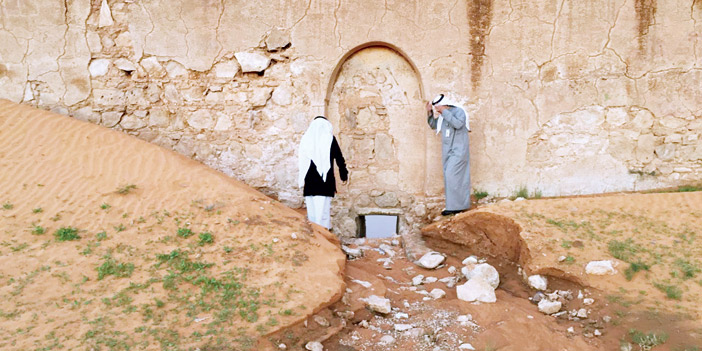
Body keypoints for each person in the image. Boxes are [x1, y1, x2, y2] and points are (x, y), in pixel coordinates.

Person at [298, 116, 348, 229]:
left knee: (312, 213)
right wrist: (343, 174)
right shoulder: (329, 139)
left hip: (309, 181)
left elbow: (302, 161)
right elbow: (339, 158)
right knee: (323, 212)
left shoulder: (306, 139)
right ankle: (322, 234)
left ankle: (316, 235)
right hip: (324, 182)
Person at [426, 93, 471, 216]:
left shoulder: (458, 111)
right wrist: (429, 112)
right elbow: (433, 125)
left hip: (459, 150)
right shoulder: (442, 116)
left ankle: (454, 207)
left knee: (452, 175)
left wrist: (445, 112)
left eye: (438, 107)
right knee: (450, 177)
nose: (437, 110)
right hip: (448, 151)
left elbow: (458, 124)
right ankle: (456, 206)